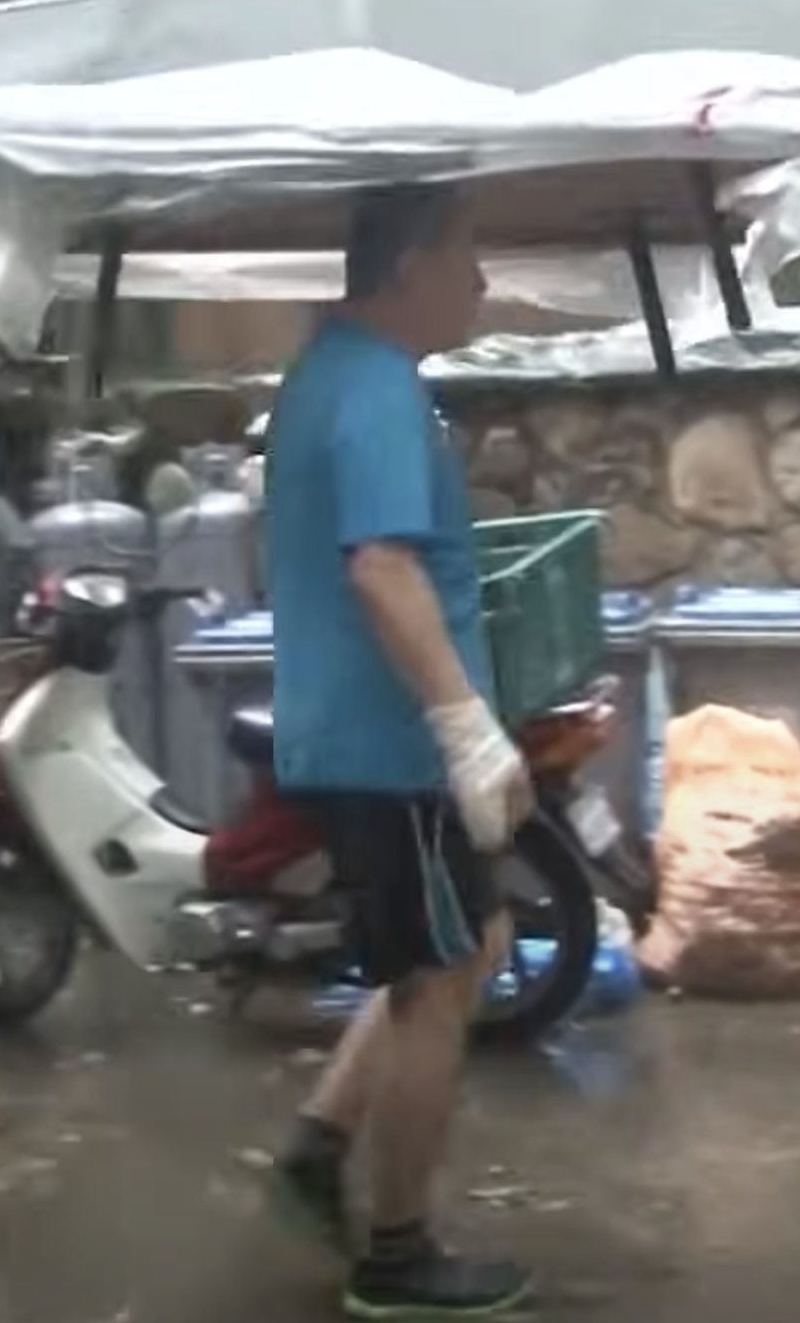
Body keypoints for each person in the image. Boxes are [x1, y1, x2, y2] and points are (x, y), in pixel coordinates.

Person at [264, 183, 535, 1317]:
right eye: (467, 255)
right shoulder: (372, 387)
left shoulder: (337, 373)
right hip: (392, 745)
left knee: (467, 942)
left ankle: (320, 1142)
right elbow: (380, 565)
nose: (479, 281)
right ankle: (399, 1251)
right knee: (433, 981)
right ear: (409, 264)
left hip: (366, 733)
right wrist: (462, 726)